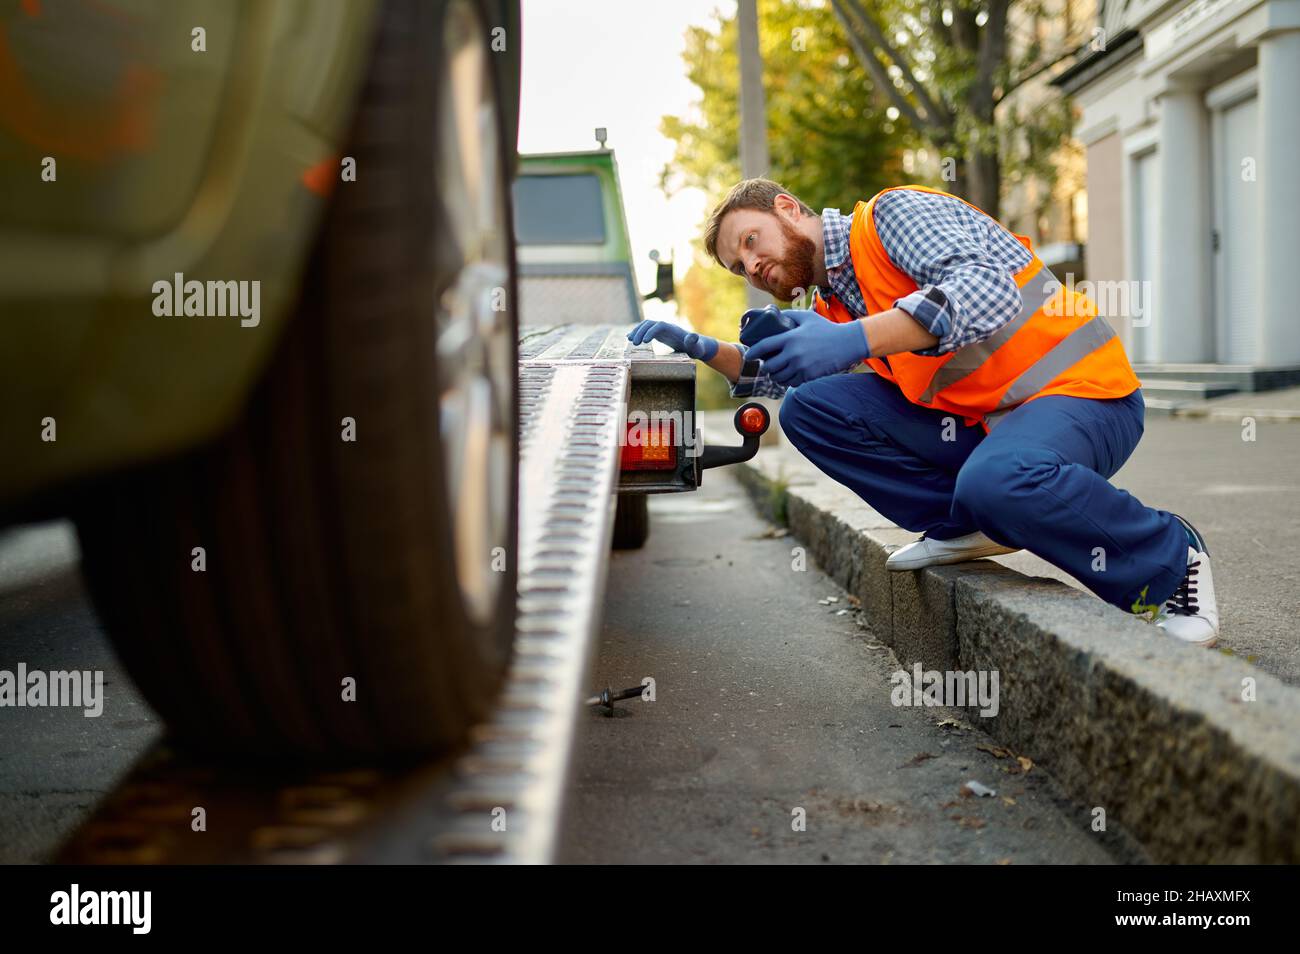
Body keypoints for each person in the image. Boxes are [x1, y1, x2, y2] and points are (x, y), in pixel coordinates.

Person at [628, 179, 1218, 647]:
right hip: (992, 425)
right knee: (808, 409)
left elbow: (985, 290)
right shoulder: (836, 302)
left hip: (1082, 393)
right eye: (739, 267)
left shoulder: (891, 217)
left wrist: (855, 339)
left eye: (751, 241)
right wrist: (705, 350)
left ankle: (1170, 562)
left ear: (787, 208)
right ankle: (966, 525)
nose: (752, 266)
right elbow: (783, 378)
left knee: (999, 480)